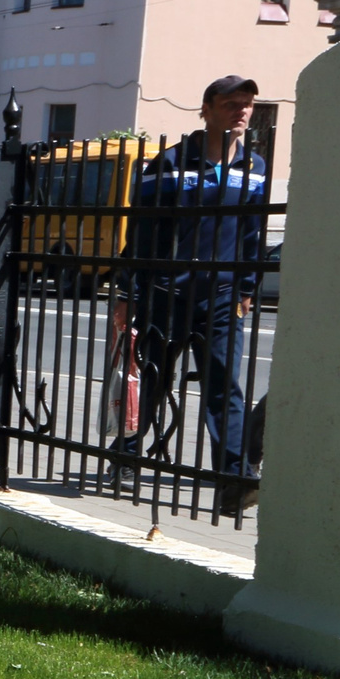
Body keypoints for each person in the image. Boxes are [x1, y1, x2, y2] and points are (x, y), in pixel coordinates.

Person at [117, 76, 269, 516]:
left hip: (221, 297)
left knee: (225, 387)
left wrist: (245, 289)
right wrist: (128, 291)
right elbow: (143, 231)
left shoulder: (255, 168)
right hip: (167, 292)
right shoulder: (169, 162)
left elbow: (253, 234)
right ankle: (126, 451)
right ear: (205, 109)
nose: (240, 112)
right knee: (152, 377)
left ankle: (234, 478)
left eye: (246, 105)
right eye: (229, 104)